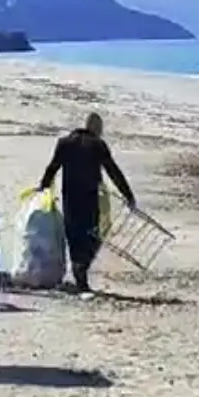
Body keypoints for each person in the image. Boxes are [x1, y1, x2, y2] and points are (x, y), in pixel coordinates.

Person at [37, 112, 135, 296]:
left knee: (74, 237)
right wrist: (128, 195)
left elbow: (52, 167)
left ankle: (80, 278)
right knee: (92, 236)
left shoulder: (65, 143)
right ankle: (81, 276)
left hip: (70, 199)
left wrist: (42, 187)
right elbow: (113, 172)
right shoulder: (98, 145)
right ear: (97, 129)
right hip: (89, 199)